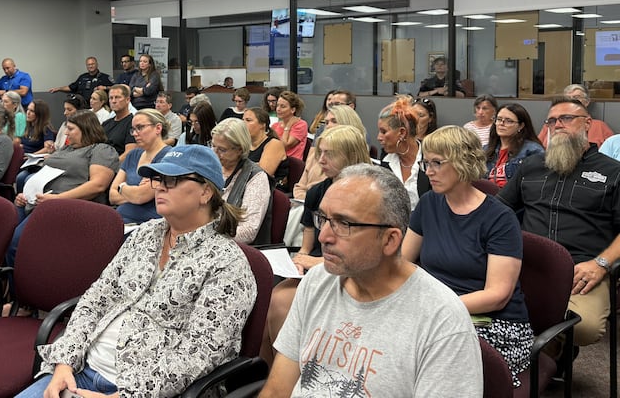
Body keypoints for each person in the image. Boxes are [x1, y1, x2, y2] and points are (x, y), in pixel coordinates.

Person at [15, 144, 256, 398]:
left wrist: (125, 397)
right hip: (81, 371)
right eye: (159, 179)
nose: (160, 186)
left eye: (172, 180)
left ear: (206, 192)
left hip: (146, 392)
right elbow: (96, 298)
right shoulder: (144, 234)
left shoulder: (227, 263)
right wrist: (64, 364)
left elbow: (200, 353)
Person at [259, 164, 481, 397]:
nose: (324, 236)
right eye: (324, 218)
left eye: (344, 224)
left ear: (390, 240)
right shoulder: (317, 281)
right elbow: (277, 390)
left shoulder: (442, 321)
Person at [403, 125, 533, 387]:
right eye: (426, 163)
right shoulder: (429, 203)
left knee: (426, 363)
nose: (428, 172)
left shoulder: (499, 218)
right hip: (439, 314)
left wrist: (433, 310)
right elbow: (402, 264)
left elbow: (497, 296)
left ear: (464, 161)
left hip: (496, 325)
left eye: (437, 163)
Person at [498, 96, 620, 348]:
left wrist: (601, 264)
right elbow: (499, 208)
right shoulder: (532, 166)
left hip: (582, 270)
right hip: (525, 263)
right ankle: (537, 356)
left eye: (566, 118)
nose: (558, 125)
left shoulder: (612, 172)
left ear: (587, 123)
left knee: (584, 326)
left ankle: (545, 353)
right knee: (482, 302)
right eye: (552, 121)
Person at [260, 126, 371, 365]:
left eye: (329, 154)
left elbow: (366, 254)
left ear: (350, 155)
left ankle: (292, 368)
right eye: (320, 152)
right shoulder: (316, 193)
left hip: (356, 271)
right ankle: (273, 372)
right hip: (320, 265)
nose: (321, 159)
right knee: (271, 298)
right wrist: (299, 262)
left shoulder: (371, 195)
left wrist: (314, 262)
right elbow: (307, 246)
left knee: (281, 301)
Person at [10, 110, 119, 269]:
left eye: (71, 128)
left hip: (66, 206)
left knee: (17, 245)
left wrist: (57, 200)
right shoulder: (66, 149)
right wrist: (25, 194)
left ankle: (20, 290)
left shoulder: (100, 150)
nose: (66, 132)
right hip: (39, 202)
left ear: (86, 128)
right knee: (2, 240)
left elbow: (98, 185)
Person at [211, 118, 271, 244]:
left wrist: (211, 239)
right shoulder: (210, 167)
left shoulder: (256, 178)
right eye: (213, 146)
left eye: (222, 150)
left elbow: (249, 231)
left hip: (231, 248)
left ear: (239, 149)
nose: (214, 153)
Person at [109, 109, 171, 224]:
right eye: (133, 129)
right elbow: (112, 196)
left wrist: (122, 188)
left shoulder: (168, 157)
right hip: (120, 220)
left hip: (147, 223)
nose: (135, 134)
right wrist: (134, 191)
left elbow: (140, 196)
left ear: (158, 128)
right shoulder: (133, 154)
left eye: (140, 127)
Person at [377, 95, 430, 209]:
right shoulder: (385, 160)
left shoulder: (431, 159)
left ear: (402, 133)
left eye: (383, 131)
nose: (379, 137)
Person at [484, 103, 544, 187]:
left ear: (521, 126)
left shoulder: (532, 150)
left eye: (509, 121)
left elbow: (534, 185)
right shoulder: (486, 149)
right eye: (499, 119)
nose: (502, 123)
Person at [540, 84, 614, 149]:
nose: (571, 101)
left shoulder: (600, 126)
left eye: (576, 97)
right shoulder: (551, 124)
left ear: (587, 102)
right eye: (568, 98)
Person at [242, 107, 288, 189]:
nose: (243, 124)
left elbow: (261, 174)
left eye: (248, 120)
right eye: (243, 120)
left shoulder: (274, 144)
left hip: (271, 190)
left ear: (262, 125)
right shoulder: (245, 143)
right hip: (247, 186)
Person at [102, 85, 136, 162]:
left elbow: (129, 153)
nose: (113, 101)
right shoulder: (105, 124)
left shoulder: (133, 123)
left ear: (127, 100)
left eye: (117, 97)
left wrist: (110, 166)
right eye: (111, 98)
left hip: (118, 166)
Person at [272, 91, 308, 160]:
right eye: (277, 105)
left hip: (291, 164)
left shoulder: (301, 125)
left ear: (292, 110)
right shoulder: (275, 125)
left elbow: (285, 146)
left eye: (283, 106)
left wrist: (288, 126)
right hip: (276, 160)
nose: (278, 109)